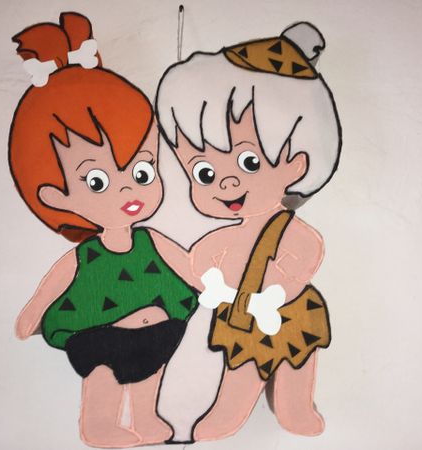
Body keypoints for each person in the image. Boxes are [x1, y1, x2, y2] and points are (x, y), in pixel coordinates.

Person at [9, 12, 197, 447]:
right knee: (103, 374)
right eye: (97, 181)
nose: (129, 189)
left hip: (159, 330)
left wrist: (219, 285)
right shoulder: (84, 255)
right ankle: (100, 424)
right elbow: (53, 286)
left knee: (151, 371)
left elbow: (188, 267)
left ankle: (145, 418)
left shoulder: (151, 241)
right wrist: (32, 316)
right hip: (99, 335)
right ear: (55, 196)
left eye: (143, 170)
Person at [152, 22, 341, 441]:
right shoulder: (222, 238)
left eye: (250, 162)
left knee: (296, 366)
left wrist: (276, 291)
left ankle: (295, 409)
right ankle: (226, 413)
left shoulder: (292, 230)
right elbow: (199, 263)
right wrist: (175, 257)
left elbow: (304, 258)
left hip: (292, 315)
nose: (227, 183)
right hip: (242, 318)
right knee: (241, 367)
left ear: (298, 164)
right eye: (204, 172)